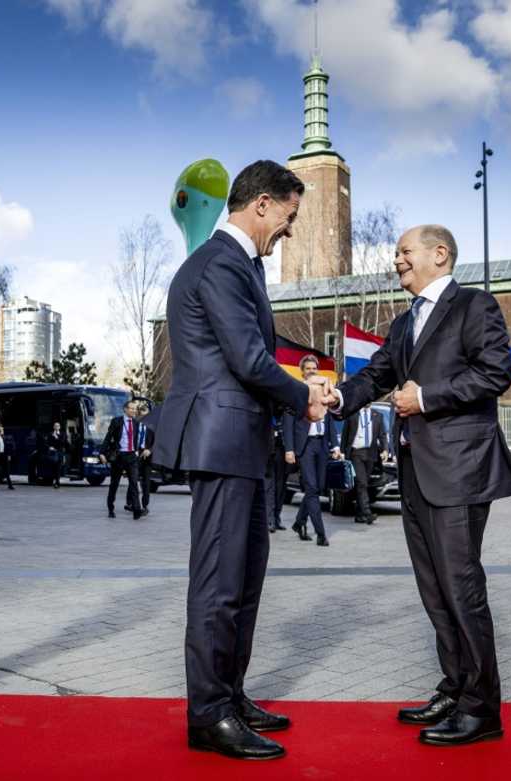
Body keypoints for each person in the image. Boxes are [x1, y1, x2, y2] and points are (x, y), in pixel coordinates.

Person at [152, 160, 329, 760]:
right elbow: (250, 361)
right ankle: (207, 715)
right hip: (222, 441)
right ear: (260, 204)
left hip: (242, 445)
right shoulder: (221, 264)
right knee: (219, 584)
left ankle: (229, 694)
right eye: (288, 216)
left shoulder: (235, 265)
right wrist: (305, 395)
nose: (288, 229)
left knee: (245, 578)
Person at [327, 224, 511, 746]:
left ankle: (482, 710)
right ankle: (456, 687)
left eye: (404, 252)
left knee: (462, 588)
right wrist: (337, 399)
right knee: (434, 589)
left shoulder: (474, 306)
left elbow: (495, 373)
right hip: (416, 470)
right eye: (396, 253)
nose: (396, 261)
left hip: (459, 470)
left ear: (440, 255)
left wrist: (428, 397)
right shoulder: (403, 321)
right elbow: (377, 375)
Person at [283, 354, 341, 546]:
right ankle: (321, 534)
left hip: (322, 445)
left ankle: (299, 522)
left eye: (314, 368)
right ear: (303, 371)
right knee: (312, 489)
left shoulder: (324, 390)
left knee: (318, 487)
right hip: (305, 445)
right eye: (308, 369)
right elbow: (288, 421)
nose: (312, 371)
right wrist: (289, 449)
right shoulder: (297, 391)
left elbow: (331, 419)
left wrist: (336, 445)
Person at [339, 401, 385, 524]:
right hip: (356, 453)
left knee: (363, 483)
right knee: (362, 482)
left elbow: (382, 435)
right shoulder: (352, 414)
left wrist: (385, 449)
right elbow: (345, 434)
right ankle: (367, 512)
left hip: (371, 453)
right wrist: (342, 452)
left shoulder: (377, 415)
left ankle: (359, 515)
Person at [101, 400, 144, 519]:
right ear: (125, 409)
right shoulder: (117, 421)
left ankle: (137, 510)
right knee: (114, 484)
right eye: (131, 408)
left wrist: (137, 451)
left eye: (135, 409)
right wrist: (102, 453)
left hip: (131, 457)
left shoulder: (136, 423)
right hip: (118, 457)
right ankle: (111, 508)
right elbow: (108, 437)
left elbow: (137, 439)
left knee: (134, 483)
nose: (134, 411)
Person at [264, 417, 288, 532]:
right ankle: (270, 519)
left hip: (281, 449)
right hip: (267, 450)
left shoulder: (283, 412)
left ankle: (276, 517)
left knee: (280, 485)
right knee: (269, 485)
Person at [136, 405, 154, 514]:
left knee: (146, 483)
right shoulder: (135, 424)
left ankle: (145, 505)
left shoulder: (153, 426)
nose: (143, 415)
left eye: (145, 413)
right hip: (136, 455)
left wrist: (150, 450)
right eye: (141, 413)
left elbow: (158, 441)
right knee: (133, 480)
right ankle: (131, 503)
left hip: (147, 457)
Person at [47, 422, 67, 490]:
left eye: (58, 426)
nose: (56, 427)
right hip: (53, 453)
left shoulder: (62, 434)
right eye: (55, 426)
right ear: (53, 427)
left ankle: (57, 482)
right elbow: (48, 443)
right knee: (54, 468)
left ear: (60, 427)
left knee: (58, 468)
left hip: (60, 453)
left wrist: (56, 437)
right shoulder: (50, 434)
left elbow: (62, 442)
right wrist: (50, 447)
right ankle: (55, 481)